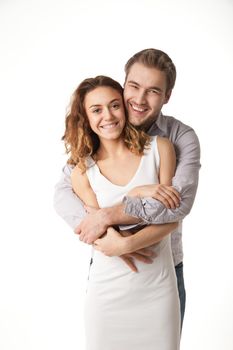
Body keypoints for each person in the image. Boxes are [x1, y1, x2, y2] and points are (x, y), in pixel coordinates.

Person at [54, 49, 201, 329]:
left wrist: (121, 232)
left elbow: (177, 206)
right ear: (124, 85)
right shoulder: (99, 137)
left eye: (153, 91)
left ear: (166, 96)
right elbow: (63, 193)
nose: (140, 99)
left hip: (164, 268)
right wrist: (105, 237)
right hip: (109, 266)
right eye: (133, 86)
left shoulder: (177, 139)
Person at [63, 75, 180, 349]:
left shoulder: (160, 150)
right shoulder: (83, 171)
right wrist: (137, 193)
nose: (108, 116)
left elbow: (172, 219)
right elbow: (96, 231)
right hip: (107, 294)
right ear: (86, 118)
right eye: (97, 109)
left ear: (125, 108)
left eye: (115, 105)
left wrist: (126, 243)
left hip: (157, 290)